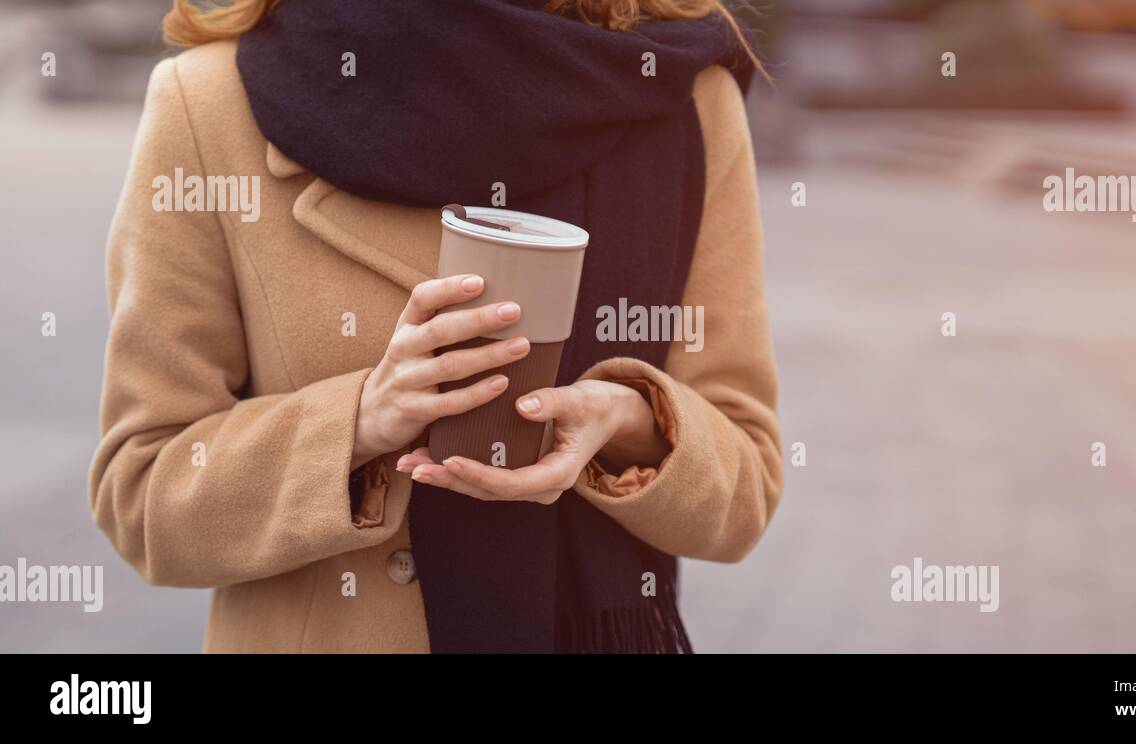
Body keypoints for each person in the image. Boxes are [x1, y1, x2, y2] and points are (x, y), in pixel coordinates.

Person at [90, 0, 782, 652]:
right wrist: (357, 424)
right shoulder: (210, 104)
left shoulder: (682, 95)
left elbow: (746, 491)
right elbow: (143, 494)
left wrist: (628, 422)